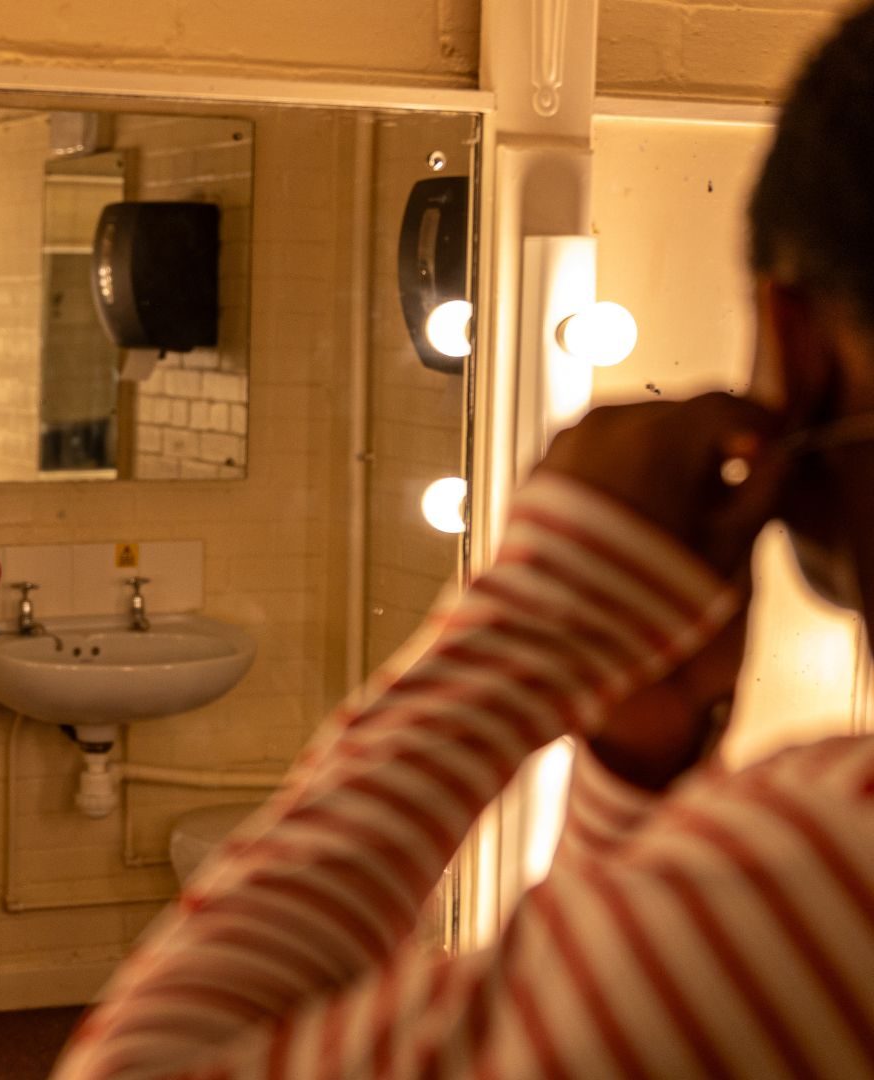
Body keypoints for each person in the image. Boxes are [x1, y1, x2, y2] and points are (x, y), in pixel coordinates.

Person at [50, 5, 874, 1078]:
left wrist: (527, 627)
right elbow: (595, 1012)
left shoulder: (823, 873)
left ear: (790, 346)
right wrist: (632, 779)